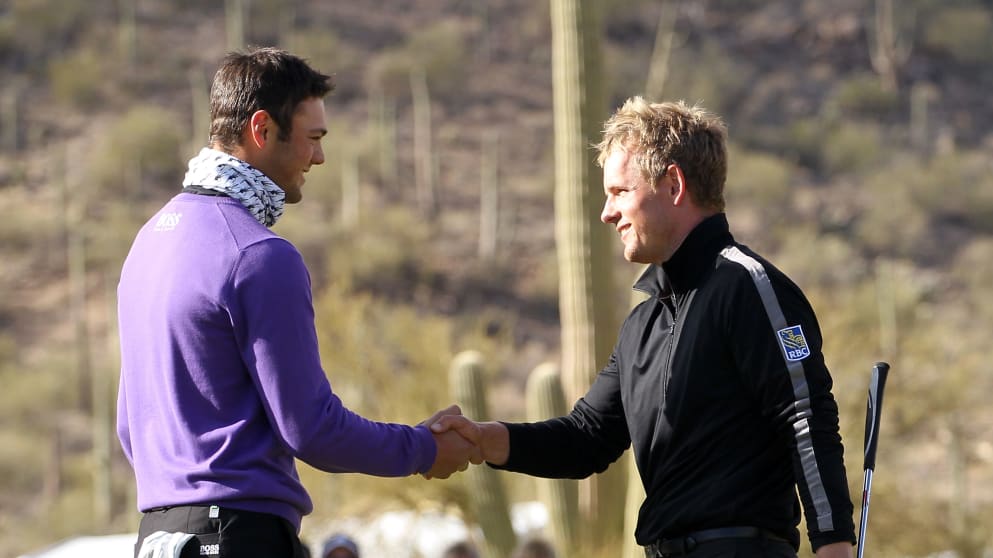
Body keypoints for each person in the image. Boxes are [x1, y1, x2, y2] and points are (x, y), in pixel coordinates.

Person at [430, 97, 856, 558]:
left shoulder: (749, 287)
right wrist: (484, 440)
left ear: (673, 184)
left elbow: (805, 416)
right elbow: (586, 438)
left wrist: (834, 546)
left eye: (619, 192)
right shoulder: (642, 321)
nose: (606, 213)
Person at [116, 47, 479, 558]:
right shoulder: (258, 254)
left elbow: (131, 427)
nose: (320, 157)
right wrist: (423, 448)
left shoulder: (147, 244)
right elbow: (310, 429)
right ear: (262, 130)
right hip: (239, 536)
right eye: (313, 138)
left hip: (156, 538)